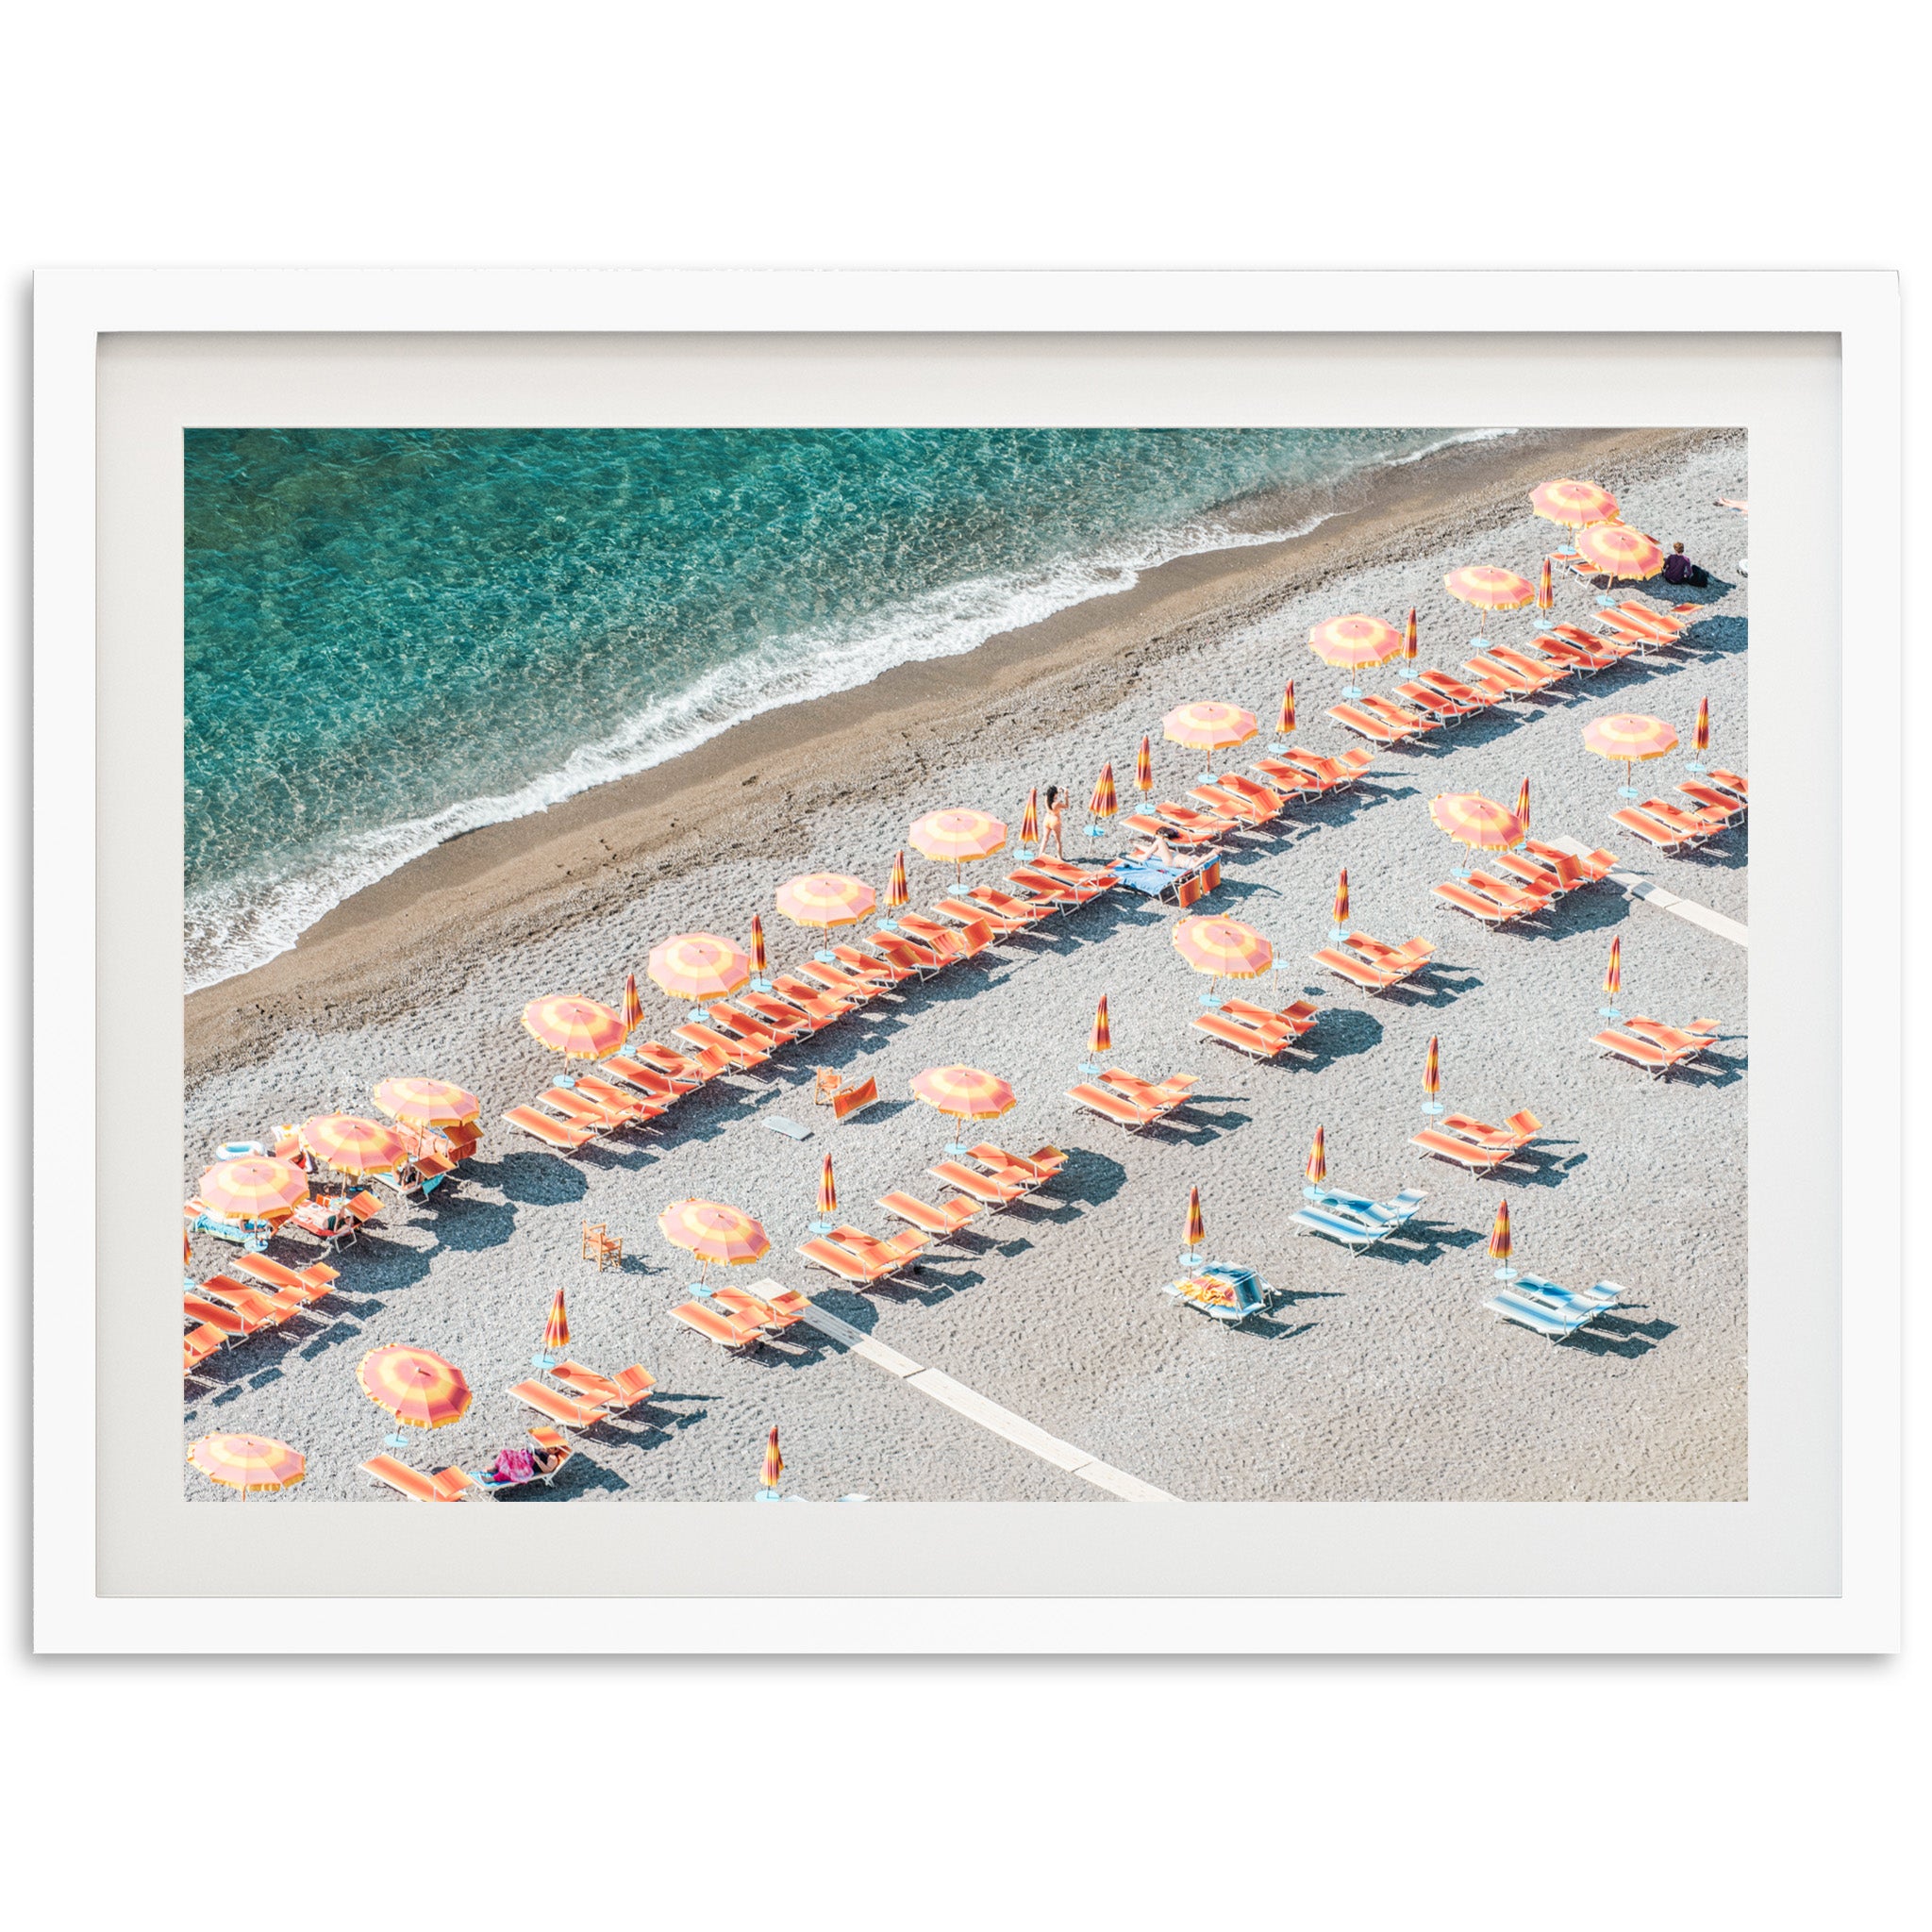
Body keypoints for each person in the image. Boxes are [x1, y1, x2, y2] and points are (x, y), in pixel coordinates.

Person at [1041, 783, 1066, 858]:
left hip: (1047, 819)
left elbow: (1049, 795)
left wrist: (1057, 791)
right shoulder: (1056, 804)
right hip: (1055, 821)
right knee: (1058, 841)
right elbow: (1066, 806)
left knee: (1045, 839)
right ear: (1054, 795)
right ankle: (1060, 857)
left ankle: (1040, 855)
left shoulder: (1046, 799)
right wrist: (1066, 795)